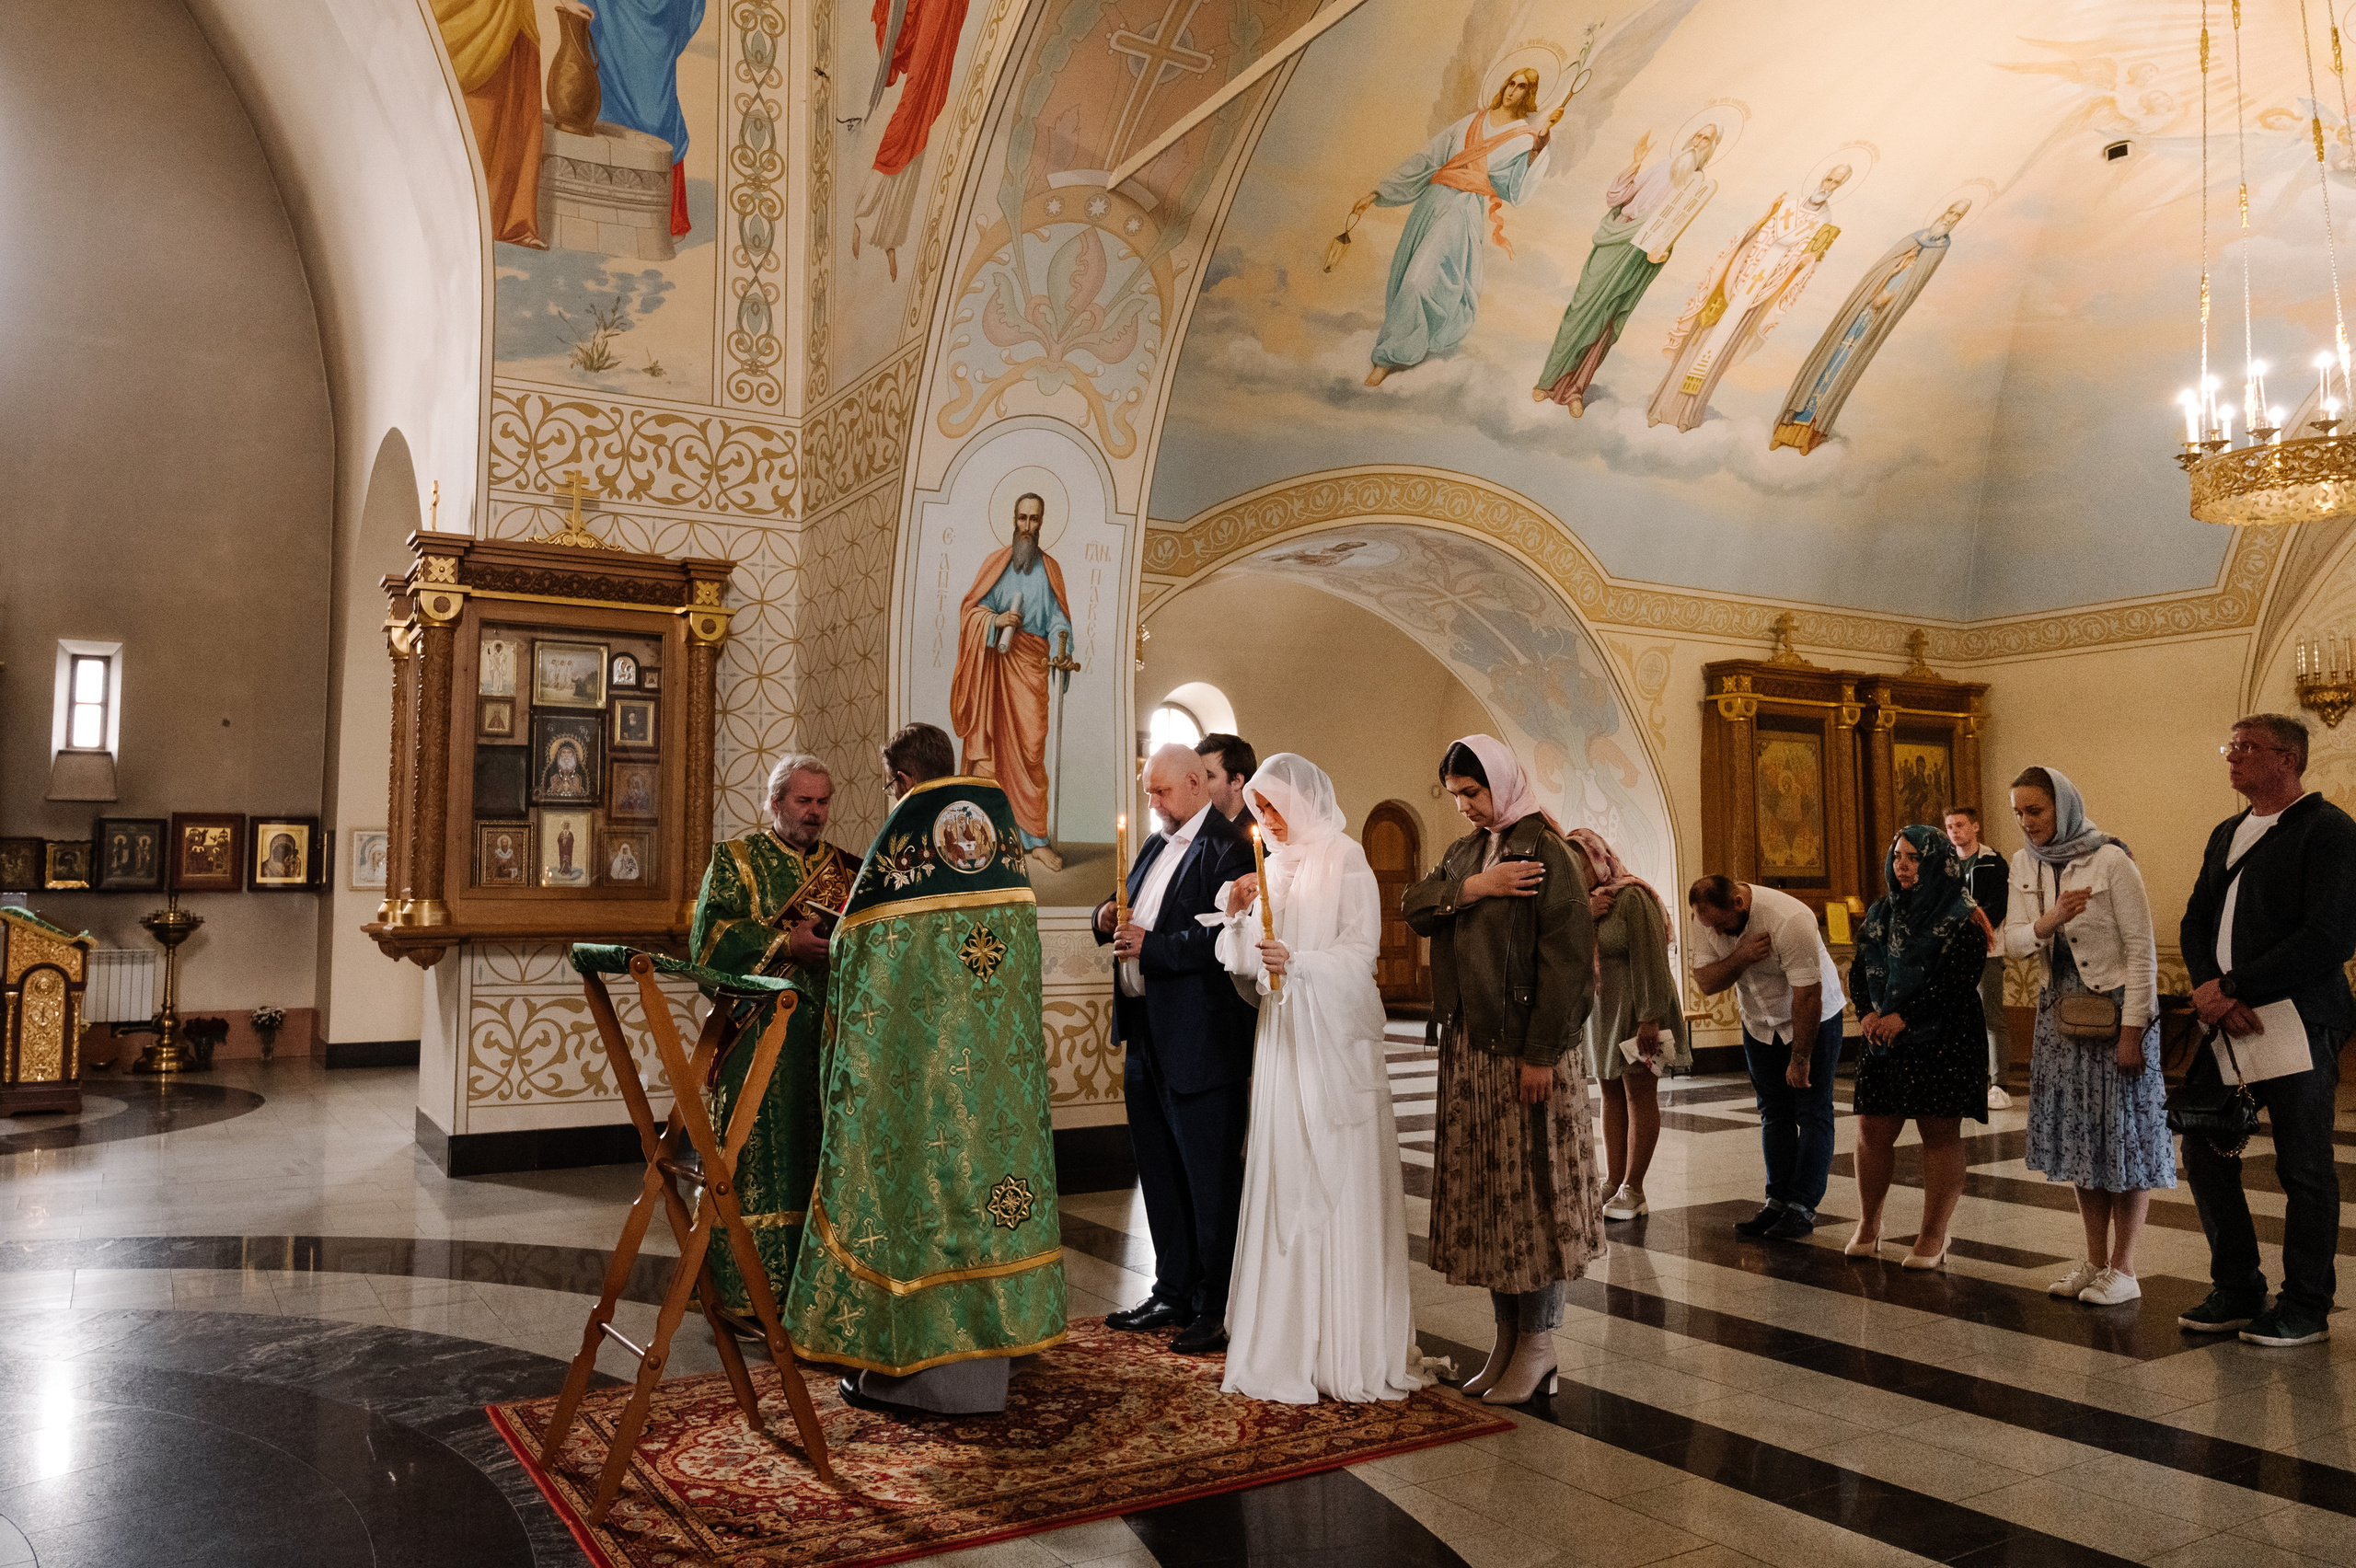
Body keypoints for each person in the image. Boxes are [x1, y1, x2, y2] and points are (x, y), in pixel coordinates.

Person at [787, 722, 1064, 1414]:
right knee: (993, 1202)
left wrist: (837, 934)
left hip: (926, 1085)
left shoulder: (905, 848)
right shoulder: (1000, 842)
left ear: (904, 781)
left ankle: (926, 1377)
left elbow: (863, 958)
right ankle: (1002, 1346)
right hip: (999, 1085)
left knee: (927, 1207)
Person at [1211, 754, 1422, 1403]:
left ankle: (1345, 1344)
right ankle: (1283, 1340)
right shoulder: (1271, 867)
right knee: (1285, 1174)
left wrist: (1298, 963)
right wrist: (1242, 924)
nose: (1265, 822)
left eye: (1273, 808)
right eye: (1257, 812)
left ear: (1301, 802)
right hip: (1283, 1038)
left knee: (1331, 1172)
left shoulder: (1348, 858)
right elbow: (1251, 962)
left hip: (1332, 1043)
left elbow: (1361, 954)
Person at [1402, 735, 1602, 1407]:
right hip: (1473, 1051)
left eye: (1474, 793)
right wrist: (1477, 886)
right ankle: (1507, 1342)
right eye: (1457, 795)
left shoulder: (1549, 851)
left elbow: (1568, 963)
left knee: (1532, 1200)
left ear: (1503, 782)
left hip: (1525, 1051)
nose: (1466, 807)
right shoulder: (1467, 854)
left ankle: (1540, 1346)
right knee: (1493, 1203)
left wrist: (1542, 1052)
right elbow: (1415, 906)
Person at [2178, 714, 2356, 1347]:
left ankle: (2306, 1302)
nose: (2233, 757)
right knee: (2203, 1146)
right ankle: (2238, 1284)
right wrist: (2211, 990)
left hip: (2298, 1016)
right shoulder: (2228, 829)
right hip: (2228, 1018)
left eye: (2248, 748)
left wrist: (2232, 987)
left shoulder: (2329, 830)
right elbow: (2196, 919)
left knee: (2303, 1164)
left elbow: (2330, 935)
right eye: (2231, 746)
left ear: (2289, 759)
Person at [1093, 744, 1259, 1354]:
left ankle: (1215, 1304)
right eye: (1149, 793)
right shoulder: (1153, 843)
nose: (1153, 803)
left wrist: (1152, 947)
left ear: (1195, 783)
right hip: (1145, 1032)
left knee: (1209, 1177)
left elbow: (1223, 940)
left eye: (1161, 792)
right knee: (1159, 1171)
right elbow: (1129, 907)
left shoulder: (1232, 848)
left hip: (1201, 1037)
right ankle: (1172, 1287)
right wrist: (1106, 918)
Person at [689, 754, 860, 1319]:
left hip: (829, 1038)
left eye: (822, 802)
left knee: (820, 1156)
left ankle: (818, 1290)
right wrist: (785, 946)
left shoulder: (847, 868)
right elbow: (707, 941)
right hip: (758, 1038)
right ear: (775, 802)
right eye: (802, 801)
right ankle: (745, 1294)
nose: (814, 813)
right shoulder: (735, 861)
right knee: (761, 1158)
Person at [2004, 766, 2169, 1307]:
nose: (2027, 823)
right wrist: (2050, 919)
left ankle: (2124, 1268)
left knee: (2121, 1135)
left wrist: (2133, 1033)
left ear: (2064, 806)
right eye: (2019, 813)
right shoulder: (2024, 864)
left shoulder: (2111, 860)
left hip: (2118, 1008)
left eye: (2036, 811)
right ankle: (2094, 1260)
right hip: (2061, 1013)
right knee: (2083, 1139)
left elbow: (2142, 952)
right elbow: (2014, 942)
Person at [1844, 826, 1989, 1269]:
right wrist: (1868, 1012)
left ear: (1937, 864)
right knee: (1872, 1130)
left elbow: (1956, 983)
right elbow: (1860, 967)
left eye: (1912, 858)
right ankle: (1869, 1224)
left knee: (1939, 1134)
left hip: (1942, 1038)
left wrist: (1904, 1017)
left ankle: (1933, 1235)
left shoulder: (1963, 917)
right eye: (1897, 857)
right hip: (1882, 1038)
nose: (1901, 866)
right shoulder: (1882, 912)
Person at [1687, 874, 1847, 1240]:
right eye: (1709, 924)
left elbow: (1808, 994)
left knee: (1811, 1110)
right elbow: (1707, 982)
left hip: (1812, 1018)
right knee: (1773, 1111)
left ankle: (1802, 1207)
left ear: (1739, 904)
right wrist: (1741, 956)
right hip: (1759, 1022)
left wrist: (1801, 1057)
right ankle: (1776, 1201)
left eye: (1723, 924)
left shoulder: (1789, 919)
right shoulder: (1708, 919)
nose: (1717, 932)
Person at [1565, 828, 1689, 1221]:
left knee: (1638, 1094)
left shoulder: (1633, 897)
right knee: (1610, 1094)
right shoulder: (1582, 904)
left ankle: (1634, 1188)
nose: (1574, 872)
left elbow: (1652, 958)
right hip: (1602, 1014)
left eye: (1578, 863)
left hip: (1639, 1011)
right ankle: (1612, 1180)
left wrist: (1649, 1018)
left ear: (1598, 858)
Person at [950, 492, 1075, 869]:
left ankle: (1035, 839)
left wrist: (1061, 647)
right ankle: (985, 835)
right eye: (1022, 518)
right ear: (1013, 519)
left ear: (1042, 523)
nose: (1028, 526)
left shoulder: (1050, 569)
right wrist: (995, 621)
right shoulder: (996, 564)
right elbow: (971, 610)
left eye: (1034, 520)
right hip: (994, 670)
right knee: (991, 752)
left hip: (1031, 667)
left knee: (1031, 750)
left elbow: (1058, 620)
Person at [1945, 805, 2015, 1109]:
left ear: (1975, 827)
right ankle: (1964, 1077)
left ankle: (1999, 1083)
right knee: (1957, 1017)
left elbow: (1996, 907)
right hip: (1951, 953)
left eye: (1959, 825)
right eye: (1949, 827)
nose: (1954, 831)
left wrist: (1969, 930)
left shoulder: (1993, 863)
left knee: (1990, 1017)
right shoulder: (1943, 865)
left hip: (1986, 950)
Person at [1195, 732, 1259, 824]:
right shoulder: (1199, 829)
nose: (1197, 785)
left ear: (1237, 781)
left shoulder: (1263, 830)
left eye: (1208, 776)